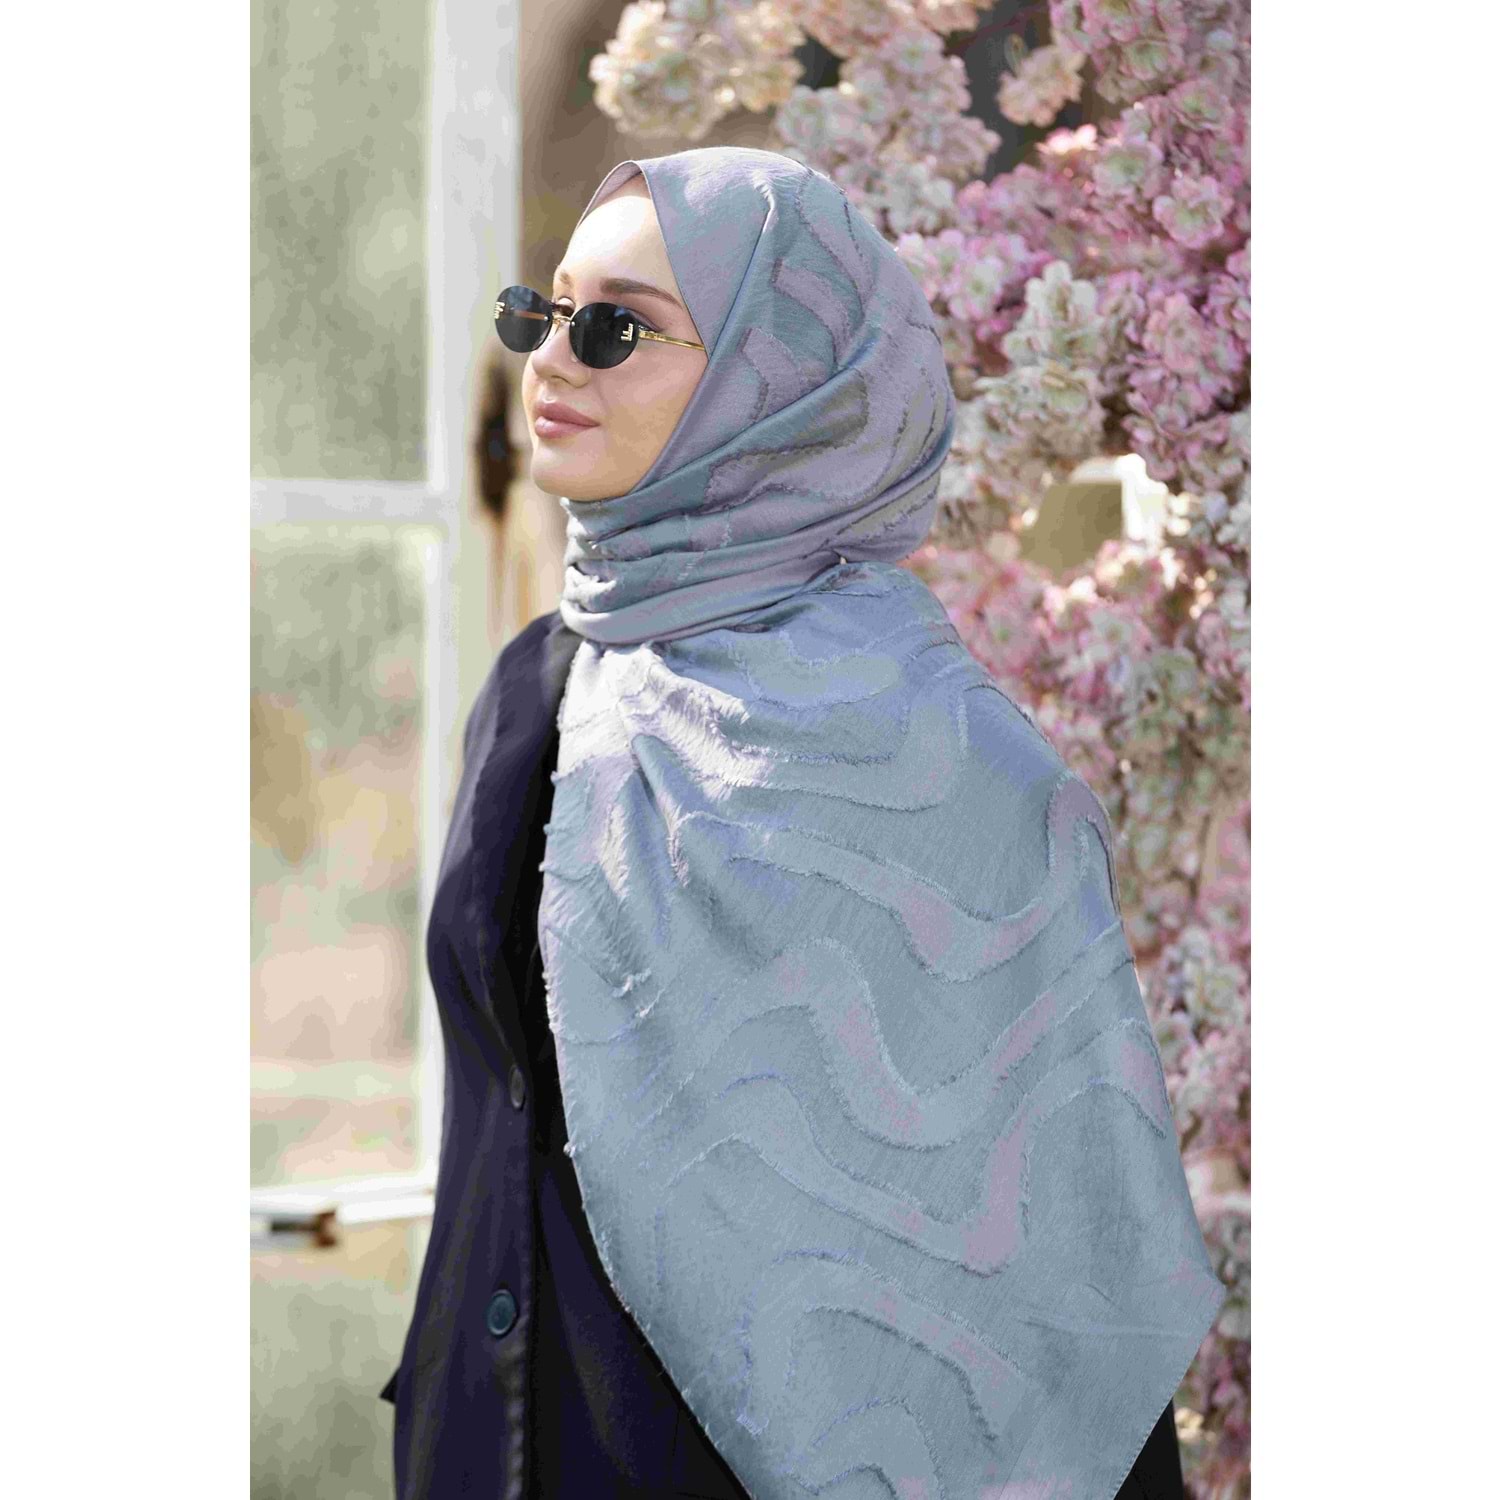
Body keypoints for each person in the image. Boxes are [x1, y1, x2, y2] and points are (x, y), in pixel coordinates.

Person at [382, 147, 1220, 1499]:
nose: (551, 362)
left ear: (781, 381)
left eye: (617, 330)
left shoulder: (942, 756)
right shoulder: (537, 686)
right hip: (499, 1453)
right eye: (545, 313)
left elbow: (1046, 1249)